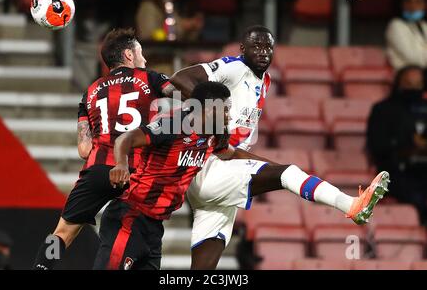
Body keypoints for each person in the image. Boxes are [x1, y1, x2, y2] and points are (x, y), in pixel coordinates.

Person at [95, 81, 389, 270]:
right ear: (206, 108)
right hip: (129, 216)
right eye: (223, 110)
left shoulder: (212, 134)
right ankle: (349, 205)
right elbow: (128, 139)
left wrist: (278, 171)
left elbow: (232, 154)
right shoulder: (176, 123)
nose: (227, 117)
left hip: (154, 227)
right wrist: (120, 164)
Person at [168, 25, 389, 269]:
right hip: (207, 167)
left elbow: (233, 149)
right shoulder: (236, 67)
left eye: (268, 47)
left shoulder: (264, 81)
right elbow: (181, 78)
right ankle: (350, 205)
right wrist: (211, 114)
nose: (263, 52)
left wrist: (275, 170)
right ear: (243, 49)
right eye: (256, 46)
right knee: (288, 173)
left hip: (219, 172)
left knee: (202, 270)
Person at [32, 28, 173, 270]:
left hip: (97, 169)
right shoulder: (149, 78)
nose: (145, 59)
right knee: (138, 233)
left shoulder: (90, 91)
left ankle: (40, 268)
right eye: (141, 52)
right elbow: (179, 95)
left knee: (62, 232)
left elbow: (84, 148)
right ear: (129, 55)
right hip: (134, 172)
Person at [367, 65, 427, 225]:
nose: (413, 89)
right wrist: (407, 146)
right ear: (399, 84)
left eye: (418, 84)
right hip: (396, 175)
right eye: (408, 84)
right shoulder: (383, 110)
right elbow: (378, 147)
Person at [386, 0, 427, 70]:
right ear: (402, 4)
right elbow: (415, 59)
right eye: (408, 1)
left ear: (424, 5)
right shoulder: (395, 26)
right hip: (406, 75)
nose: (412, 6)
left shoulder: (424, 26)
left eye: (418, 1)